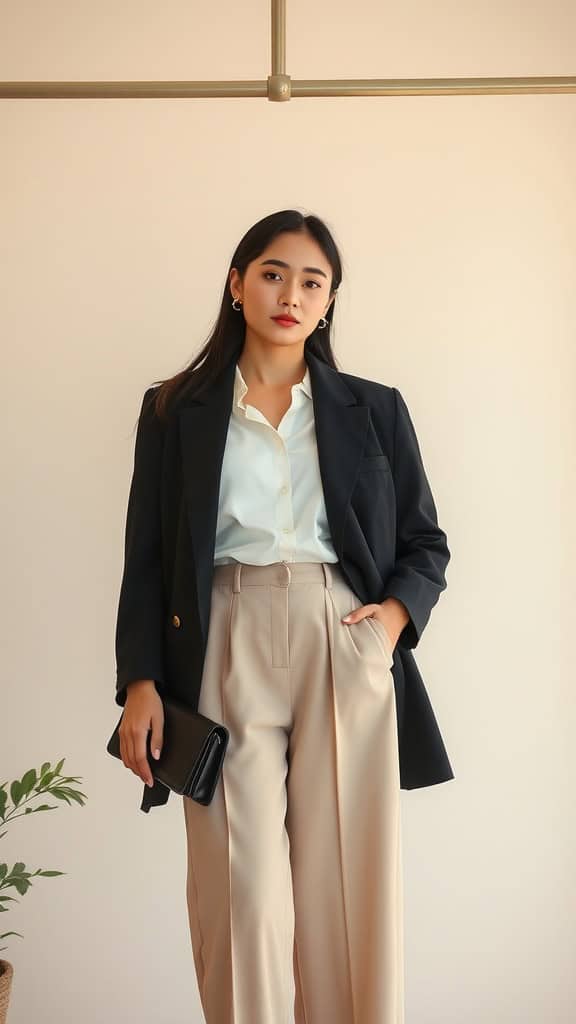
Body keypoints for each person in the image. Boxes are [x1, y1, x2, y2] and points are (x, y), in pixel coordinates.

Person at [113, 208, 453, 1024]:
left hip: (343, 636)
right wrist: (139, 681)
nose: (290, 294)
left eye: (312, 281)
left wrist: (389, 626)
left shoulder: (374, 408)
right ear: (237, 284)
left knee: (346, 891)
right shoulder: (173, 410)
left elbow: (425, 542)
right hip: (221, 637)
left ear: (330, 301)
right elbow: (148, 557)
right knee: (242, 891)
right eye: (272, 273)